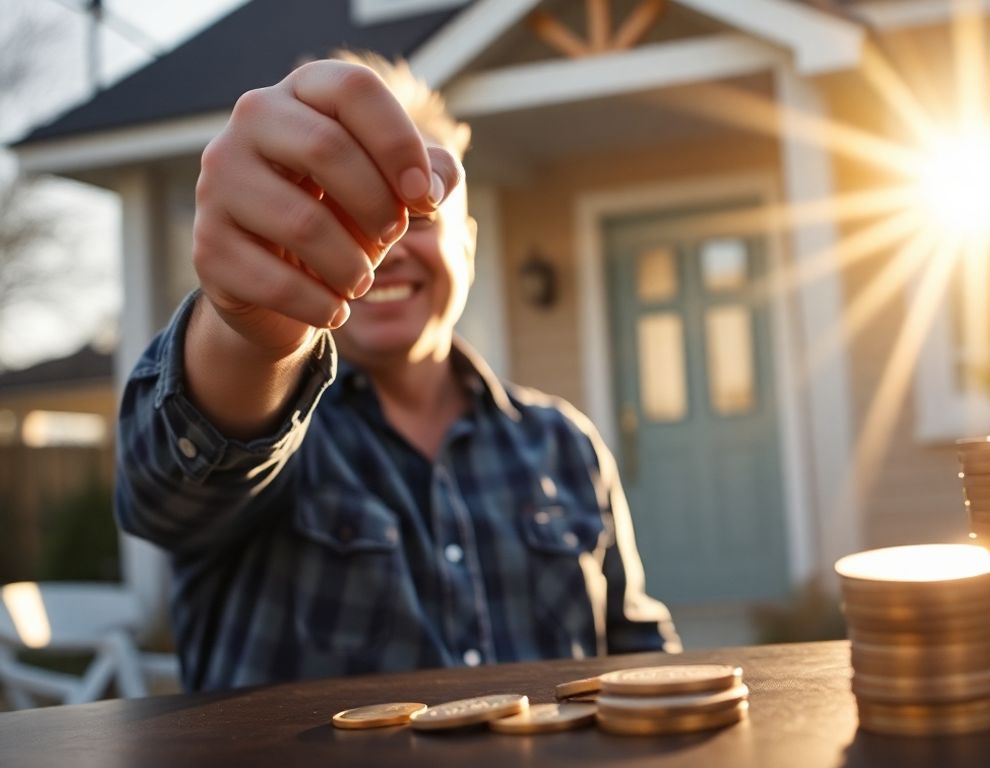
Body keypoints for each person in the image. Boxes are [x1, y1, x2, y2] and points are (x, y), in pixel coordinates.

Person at [115, 51, 679, 692]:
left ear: (468, 245)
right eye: (344, 219)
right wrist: (249, 332)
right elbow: (165, 495)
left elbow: (638, 654)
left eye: (417, 217)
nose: (380, 246)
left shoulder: (564, 443)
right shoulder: (282, 434)